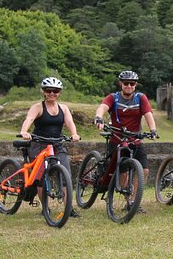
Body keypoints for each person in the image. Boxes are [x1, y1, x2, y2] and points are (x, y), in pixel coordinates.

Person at [94, 70, 157, 213]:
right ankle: (128, 202)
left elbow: (148, 114)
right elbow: (102, 107)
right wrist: (99, 117)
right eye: (125, 83)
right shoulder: (113, 98)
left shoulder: (141, 98)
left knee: (144, 170)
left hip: (134, 139)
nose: (128, 86)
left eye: (132, 83)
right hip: (117, 138)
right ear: (121, 84)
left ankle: (134, 201)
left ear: (135, 85)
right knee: (123, 172)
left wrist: (153, 129)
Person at [19, 77, 81, 217]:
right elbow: (29, 119)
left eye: (56, 91)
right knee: (40, 178)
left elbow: (69, 122)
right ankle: (45, 207)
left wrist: (74, 134)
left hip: (57, 144)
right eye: (49, 90)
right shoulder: (38, 107)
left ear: (60, 92)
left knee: (65, 175)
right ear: (43, 91)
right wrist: (24, 131)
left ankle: (68, 208)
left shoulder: (63, 108)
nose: (52, 93)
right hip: (39, 143)